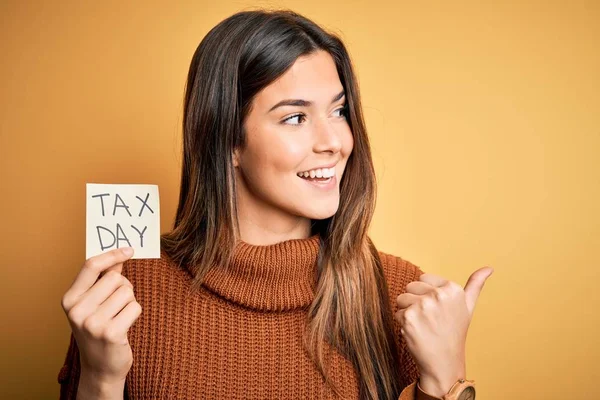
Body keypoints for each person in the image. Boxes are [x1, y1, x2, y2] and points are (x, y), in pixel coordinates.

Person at [57, 8, 493, 400]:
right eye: (296, 117)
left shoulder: (399, 295)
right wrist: (99, 379)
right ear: (227, 139)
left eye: (339, 112)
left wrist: (447, 377)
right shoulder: (125, 295)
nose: (334, 143)